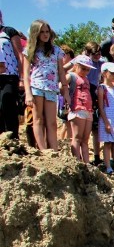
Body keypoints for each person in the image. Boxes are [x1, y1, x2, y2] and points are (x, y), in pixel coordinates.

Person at [23, 19, 69, 151]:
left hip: (51, 88)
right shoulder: (30, 50)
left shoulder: (56, 50)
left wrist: (65, 92)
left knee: (52, 122)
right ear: (35, 33)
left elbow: (61, 72)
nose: (45, 34)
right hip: (36, 86)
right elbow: (26, 74)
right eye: (42, 32)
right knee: (38, 119)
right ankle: (43, 150)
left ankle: (54, 150)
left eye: (47, 31)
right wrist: (28, 93)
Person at [0, 11, 25, 139]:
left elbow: (20, 55)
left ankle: (13, 138)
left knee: (7, 103)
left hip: (9, 75)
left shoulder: (8, 32)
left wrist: (22, 78)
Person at [66, 55, 95, 163]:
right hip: (77, 108)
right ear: (76, 66)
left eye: (88, 69)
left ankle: (87, 163)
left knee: (85, 139)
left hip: (88, 109)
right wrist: (67, 96)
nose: (85, 71)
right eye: (83, 68)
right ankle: (77, 162)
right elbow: (61, 85)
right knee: (77, 137)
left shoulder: (86, 79)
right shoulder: (72, 75)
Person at [83, 42, 104, 166]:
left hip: (95, 93)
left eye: (99, 54)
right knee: (85, 128)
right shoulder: (85, 63)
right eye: (94, 54)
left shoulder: (101, 63)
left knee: (95, 128)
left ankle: (97, 156)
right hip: (84, 93)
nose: (97, 56)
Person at [57, 44, 74, 141]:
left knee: (68, 122)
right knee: (66, 122)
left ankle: (65, 142)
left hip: (70, 97)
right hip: (63, 98)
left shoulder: (73, 69)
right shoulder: (60, 69)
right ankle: (63, 142)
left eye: (64, 55)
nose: (62, 58)